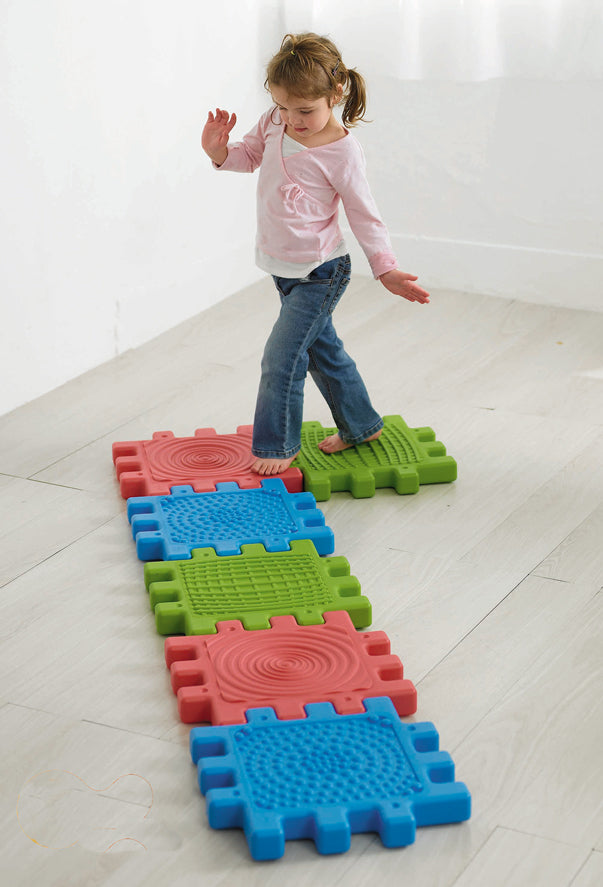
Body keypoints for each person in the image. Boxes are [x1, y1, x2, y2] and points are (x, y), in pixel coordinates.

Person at [201, 32, 430, 476]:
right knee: (325, 352)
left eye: (304, 110)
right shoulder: (274, 122)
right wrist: (218, 151)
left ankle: (277, 445)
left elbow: (364, 214)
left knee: (282, 357)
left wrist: (385, 268)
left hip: (321, 272)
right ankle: (362, 425)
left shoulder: (342, 152)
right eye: (283, 106)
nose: (292, 119)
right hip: (281, 267)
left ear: (335, 93)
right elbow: (248, 156)